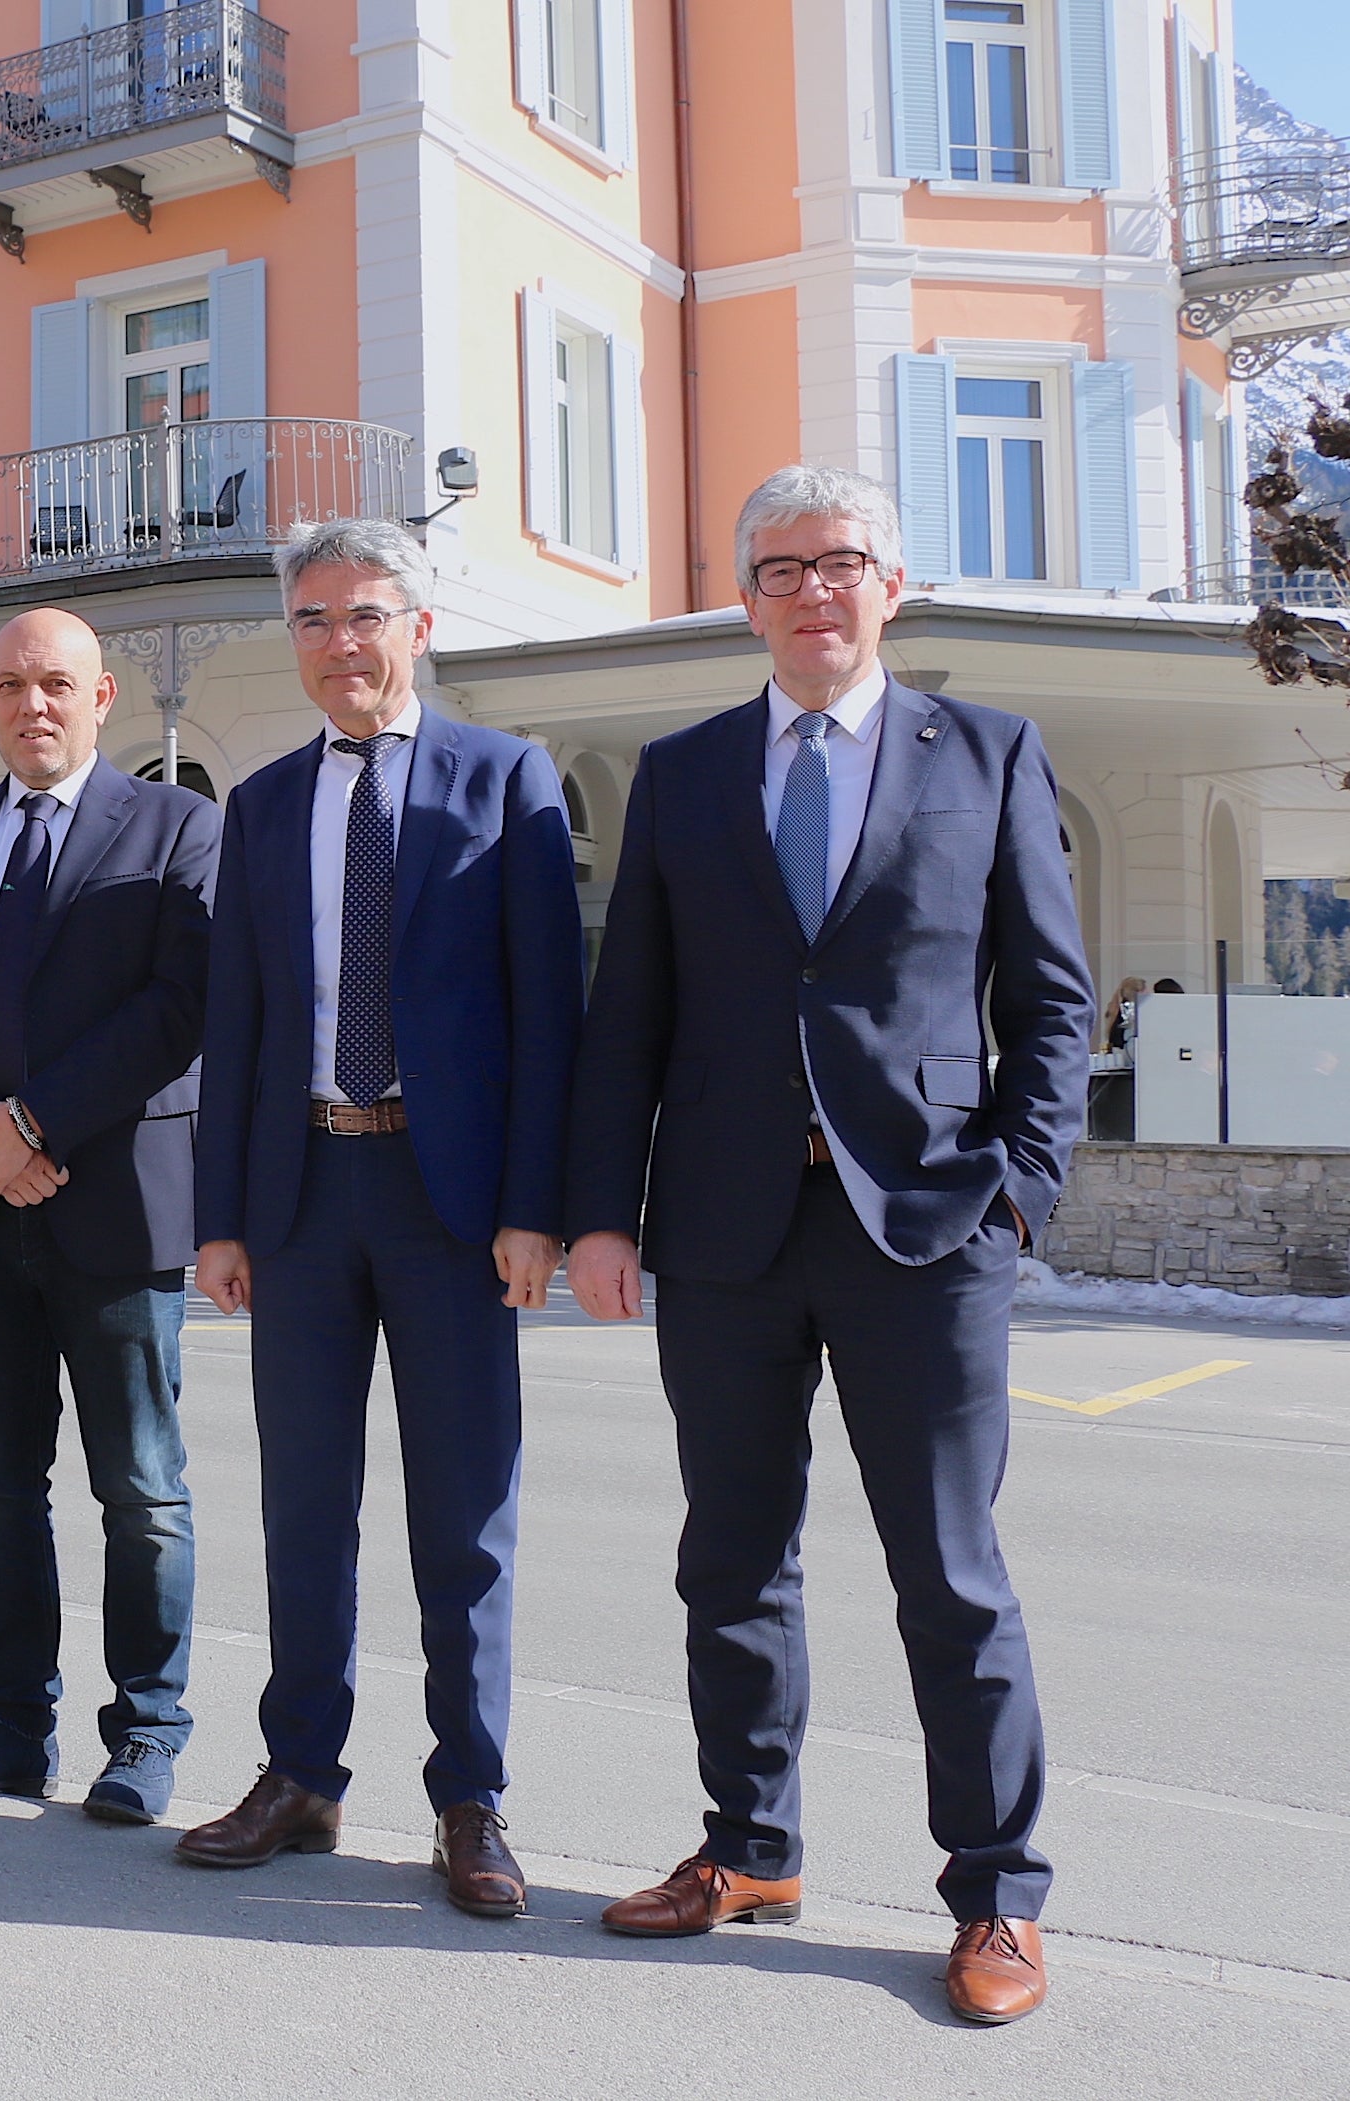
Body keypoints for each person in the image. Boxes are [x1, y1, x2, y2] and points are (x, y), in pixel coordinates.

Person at [565, 465, 1092, 2024]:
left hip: (925, 1225)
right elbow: (628, 1020)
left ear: (891, 583)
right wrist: (607, 1210)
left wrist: (1018, 1186)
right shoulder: (682, 772)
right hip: (723, 1228)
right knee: (730, 1561)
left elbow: (1052, 998)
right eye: (782, 568)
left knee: (952, 1572)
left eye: (841, 562)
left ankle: (997, 1894)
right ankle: (750, 1846)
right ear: (747, 598)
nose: (813, 590)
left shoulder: (986, 754)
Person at [175, 519, 581, 1919]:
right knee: (303, 1503)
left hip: (452, 1203)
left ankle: (471, 1797)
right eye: (311, 620)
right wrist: (220, 1216)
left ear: (418, 626)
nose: (339, 644)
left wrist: (536, 1206)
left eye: (364, 616)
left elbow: (550, 1015)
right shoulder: (266, 800)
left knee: (464, 1514)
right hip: (300, 1191)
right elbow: (239, 1018)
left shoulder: (507, 778)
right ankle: (301, 1774)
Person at [0, 608, 218, 1823]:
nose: (33, 705)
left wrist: (37, 1124)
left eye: (55, 683)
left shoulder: (176, 827)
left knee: (142, 1490)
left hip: (113, 1209)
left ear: (103, 694)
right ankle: (10, 1728)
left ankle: (147, 1733)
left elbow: (177, 1008)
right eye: (11, 685)